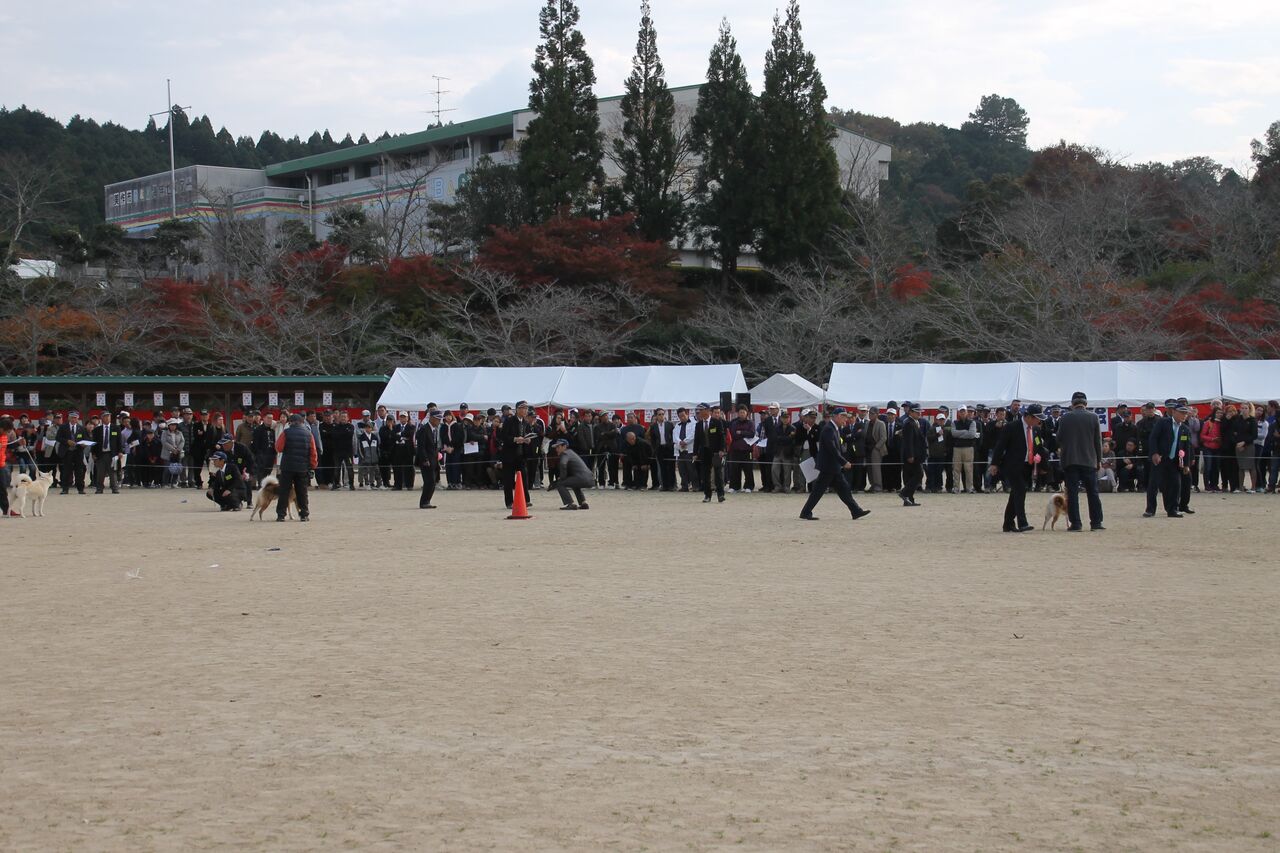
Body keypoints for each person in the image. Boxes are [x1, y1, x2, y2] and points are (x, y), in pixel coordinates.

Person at [798, 408, 871, 522]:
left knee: (843, 489)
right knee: (820, 491)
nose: (845, 420)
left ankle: (855, 510)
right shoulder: (829, 429)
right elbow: (832, 448)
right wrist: (843, 462)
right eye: (844, 417)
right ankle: (806, 512)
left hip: (833, 467)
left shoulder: (834, 428)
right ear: (837, 416)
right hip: (829, 467)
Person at [989, 403, 1045, 533]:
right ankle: (1022, 522)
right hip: (1012, 465)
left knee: (1015, 493)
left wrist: (1043, 465)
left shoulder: (1036, 430)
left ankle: (1008, 523)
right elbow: (1000, 446)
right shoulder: (1012, 427)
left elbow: (1039, 447)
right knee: (1020, 490)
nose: (1039, 421)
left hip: (1027, 465)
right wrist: (994, 463)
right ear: (1029, 417)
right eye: (1037, 418)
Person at [1057, 390, 1105, 531]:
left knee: (1072, 493)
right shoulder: (1094, 417)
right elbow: (1098, 441)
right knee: (1093, 492)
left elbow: (1059, 438)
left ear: (1072, 404)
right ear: (1086, 403)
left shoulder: (1065, 418)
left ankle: (1076, 523)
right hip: (1089, 460)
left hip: (1070, 460)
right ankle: (1096, 522)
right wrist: (1099, 459)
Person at [1144, 404, 1193, 518]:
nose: (1184, 415)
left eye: (1186, 413)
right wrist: (1155, 453)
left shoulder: (1185, 429)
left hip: (1174, 461)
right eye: (1182, 413)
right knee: (1154, 484)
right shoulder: (1163, 422)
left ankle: (1172, 509)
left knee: (1175, 485)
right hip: (1160, 459)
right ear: (1174, 412)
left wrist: (1186, 464)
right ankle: (1150, 509)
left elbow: (1186, 447)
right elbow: (1153, 438)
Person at [273, 413, 317, 522]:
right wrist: (313, 465)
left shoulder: (286, 433)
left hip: (287, 466)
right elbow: (313, 452)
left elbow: (279, 447)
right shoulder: (308, 434)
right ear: (302, 422)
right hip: (302, 467)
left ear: (290, 422)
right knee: (302, 491)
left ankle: (281, 515)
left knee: (284, 491)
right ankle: (304, 514)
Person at [500, 401, 534, 510]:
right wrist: (515, 439)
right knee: (509, 480)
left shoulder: (525, 422)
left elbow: (528, 434)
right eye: (523, 408)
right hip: (509, 455)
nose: (525, 410)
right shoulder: (509, 421)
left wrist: (528, 440)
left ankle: (526, 500)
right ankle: (509, 502)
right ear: (517, 409)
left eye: (526, 408)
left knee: (524, 478)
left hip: (521, 454)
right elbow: (503, 436)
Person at [546, 438, 593, 510]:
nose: (556, 449)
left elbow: (563, 464)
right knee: (574, 484)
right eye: (556, 447)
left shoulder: (565, 453)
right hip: (590, 478)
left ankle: (570, 504)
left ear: (564, 446)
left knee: (560, 484)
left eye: (558, 447)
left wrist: (562, 478)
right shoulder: (571, 453)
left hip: (582, 478)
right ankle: (583, 503)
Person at [694, 403, 726, 503]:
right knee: (705, 475)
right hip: (704, 452)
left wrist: (722, 449)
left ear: (708, 410)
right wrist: (695, 453)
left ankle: (721, 495)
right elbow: (696, 440)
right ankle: (707, 495)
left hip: (716, 452)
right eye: (698, 410)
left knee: (718, 474)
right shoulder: (698, 424)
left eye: (701, 410)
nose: (699, 412)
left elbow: (722, 436)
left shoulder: (717, 422)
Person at [897, 402, 925, 507]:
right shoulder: (909, 423)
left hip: (916, 454)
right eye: (917, 412)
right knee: (919, 474)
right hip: (912, 455)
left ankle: (909, 499)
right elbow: (908, 441)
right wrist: (910, 455)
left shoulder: (914, 422)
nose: (919, 414)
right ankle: (904, 493)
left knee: (913, 476)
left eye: (920, 412)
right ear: (911, 412)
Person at [90, 410, 124, 495]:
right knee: (100, 472)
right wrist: (93, 453)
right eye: (105, 416)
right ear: (101, 418)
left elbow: (119, 441)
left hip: (112, 454)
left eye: (108, 416)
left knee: (113, 472)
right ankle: (99, 488)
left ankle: (114, 488)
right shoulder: (97, 430)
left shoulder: (116, 428)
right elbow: (94, 442)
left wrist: (120, 451)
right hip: (101, 454)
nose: (107, 418)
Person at [56, 410, 90, 494]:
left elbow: (86, 439)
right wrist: (67, 441)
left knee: (79, 471)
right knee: (66, 471)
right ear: (68, 418)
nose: (73, 419)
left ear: (78, 419)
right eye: (72, 417)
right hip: (67, 451)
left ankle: (80, 488)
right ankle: (65, 489)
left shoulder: (81, 428)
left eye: (75, 418)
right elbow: (58, 438)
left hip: (78, 451)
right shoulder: (63, 427)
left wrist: (84, 444)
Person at [415, 409, 442, 509]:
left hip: (434, 460)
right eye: (437, 419)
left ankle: (427, 501)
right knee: (429, 481)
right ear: (431, 418)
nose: (439, 421)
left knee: (432, 481)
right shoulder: (424, 429)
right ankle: (424, 502)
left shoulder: (434, 430)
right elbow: (421, 447)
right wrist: (425, 459)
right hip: (426, 461)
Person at [950, 405, 979, 493]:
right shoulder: (954, 422)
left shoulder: (972, 422)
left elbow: (972, 435)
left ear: (966, 412)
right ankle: (956, 488)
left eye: (964, 411)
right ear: (958, 413)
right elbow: (953, 433)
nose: (962, 413)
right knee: (956, 469)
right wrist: (965, 431)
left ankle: (969, 488)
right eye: (961, 411)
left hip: (968, 448)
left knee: (969, 469)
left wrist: (959, 434)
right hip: (957, 449)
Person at [648, 408, 675, 491]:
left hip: (669, 448)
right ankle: (665, 486)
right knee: (662, 468)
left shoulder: (670, 424)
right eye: (659, 414)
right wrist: (655, 448)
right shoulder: (653, 427)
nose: (661, 416)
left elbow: (673, 435)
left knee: (671, 467)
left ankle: (672, 486)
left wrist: (671, 445)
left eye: (663, 414)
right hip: (660, 449)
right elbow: (652, 439)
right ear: (656, 416)